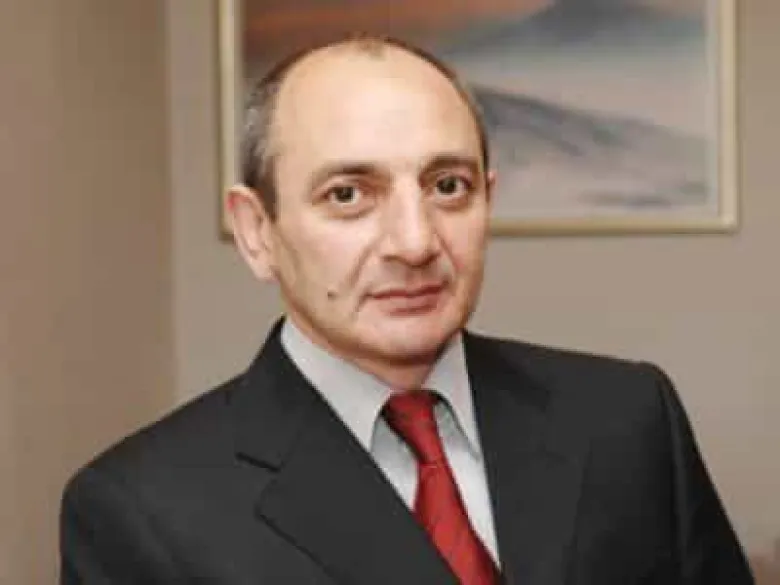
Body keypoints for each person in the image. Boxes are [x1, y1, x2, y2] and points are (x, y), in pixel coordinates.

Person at [60, 34, 754, 584]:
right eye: (348, 195)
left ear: (488, 199)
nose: (416, 242)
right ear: (257, 231)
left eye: (447, 186)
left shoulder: (627, 419)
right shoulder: (140, 510)